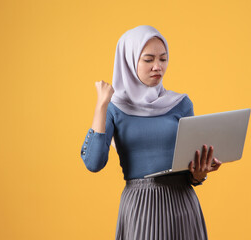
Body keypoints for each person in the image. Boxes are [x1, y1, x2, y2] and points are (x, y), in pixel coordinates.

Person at [80, 25, 222, 240]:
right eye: (148, 60)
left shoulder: (181, 103)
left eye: (163, 59)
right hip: (140, 208)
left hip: (182, 205)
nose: (158, 66)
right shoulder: (113, 108)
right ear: (128, 61)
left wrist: (199, 174)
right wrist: (101, 105)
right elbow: (94, 163)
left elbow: (192, 170)